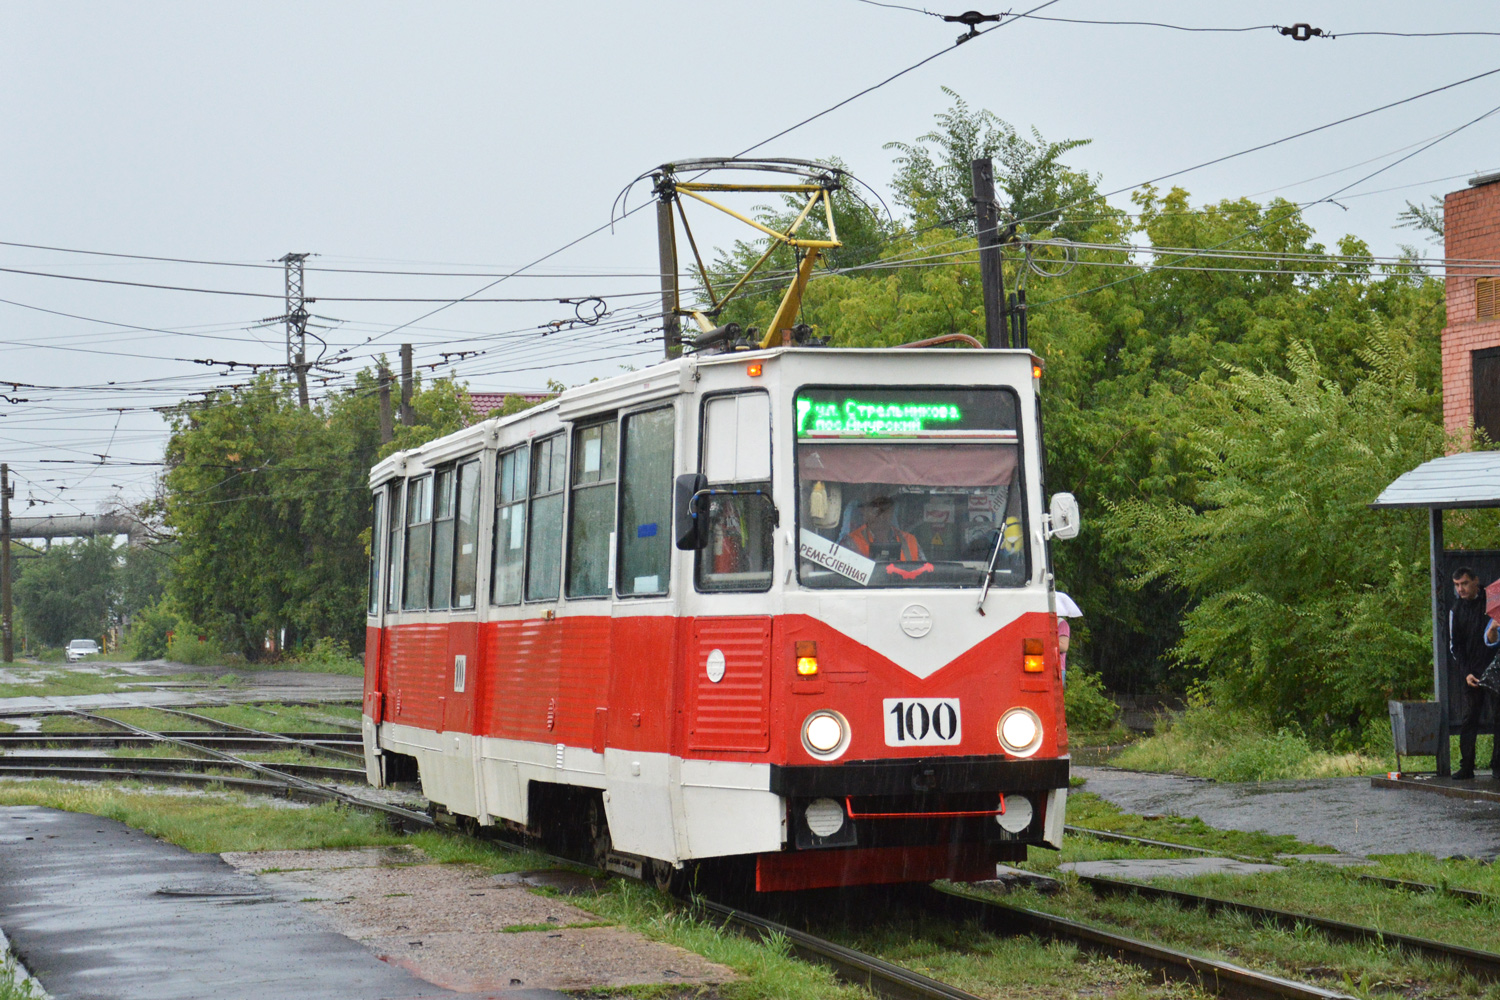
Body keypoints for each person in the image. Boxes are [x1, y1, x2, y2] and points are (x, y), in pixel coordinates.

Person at [1449, 566, 1500, 779]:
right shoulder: (1456, 610)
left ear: (1475, 581)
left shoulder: (1491, 602)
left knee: (1498, 717)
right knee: (1469, 719)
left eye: (1464, 583)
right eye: (1457, 585)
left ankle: (1497, 765)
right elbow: (1455, 646)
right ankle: (1467, 765)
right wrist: (1466, 672)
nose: (1461, 589)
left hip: (1495, 669)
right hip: (1472, 672)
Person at [840, 493, 922, 561]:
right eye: (875, 510)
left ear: (892, 511)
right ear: (864, 512)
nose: (880, 516)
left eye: (884, 510)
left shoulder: (910, 541)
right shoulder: (850, 542)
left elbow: (926, 574)